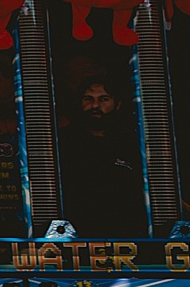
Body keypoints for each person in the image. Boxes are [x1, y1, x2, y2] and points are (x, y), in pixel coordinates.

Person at [59, 74, 147, 238]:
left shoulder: (132, 144)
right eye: (88, 99)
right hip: (75, 237)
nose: (95, 105)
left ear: (118, 104)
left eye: (104, 99)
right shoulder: (63, 143)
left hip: (125, 235)